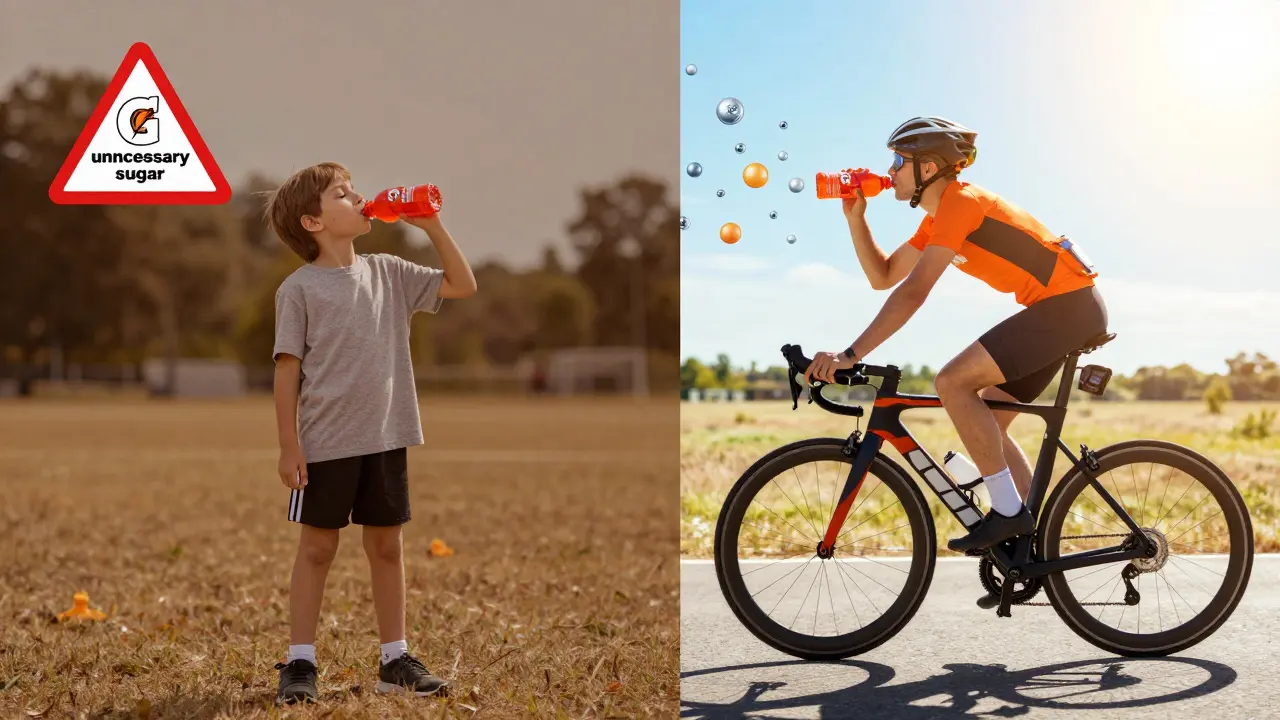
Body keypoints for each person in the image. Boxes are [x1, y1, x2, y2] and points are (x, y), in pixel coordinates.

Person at [804, 116, 1108, 555]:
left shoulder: (961, 204)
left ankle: (1008, 514)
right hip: (1063, 309)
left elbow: (914, 292)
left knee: (951, 381)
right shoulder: (938, 221)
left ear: (928, 168)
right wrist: (856, 220)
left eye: (898, 161)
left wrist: (852, 353)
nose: (889, 172)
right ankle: (1029, 547)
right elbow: (885, 276)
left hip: (1067, 306)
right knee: (988, 422)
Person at [264, 162, 478, 705]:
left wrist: (430, 224)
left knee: (387, 546)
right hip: (325, 443)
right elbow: (286, 368)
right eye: (343, 193)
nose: (359, 198)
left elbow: (462, 284)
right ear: (314, 222)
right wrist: (289, 445)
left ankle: (394, 659)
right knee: (317, 548)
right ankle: (300, 662)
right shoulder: (299, 289)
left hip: (386, 436)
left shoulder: (388, 270)